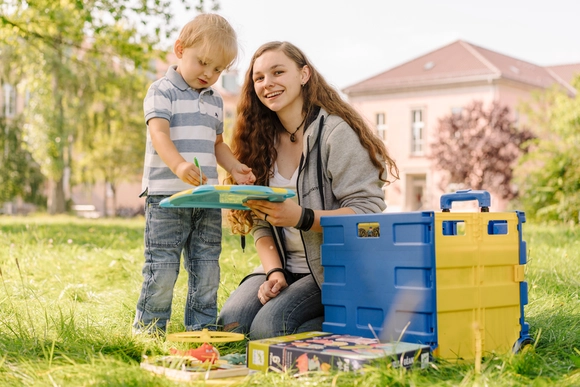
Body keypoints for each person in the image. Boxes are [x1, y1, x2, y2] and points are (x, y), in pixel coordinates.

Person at [218, 41, 399, 339]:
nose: (268, 84)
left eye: (278, 72)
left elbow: (366, 214)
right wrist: (274, 273)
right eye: (259, 78)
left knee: (269, 329)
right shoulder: (260, 139)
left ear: (304, 75)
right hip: (285, 268)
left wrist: (302, 217)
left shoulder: (335, 133)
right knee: (231, 325)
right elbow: (262, 223)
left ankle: (359, 324)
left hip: (334, 270)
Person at [133, 13, 255, 334]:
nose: (209, 74)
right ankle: (149, 330)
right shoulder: (161, 90)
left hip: (207, 200)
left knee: (207, 268)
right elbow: (159, 134)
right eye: (203, 62)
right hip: (168, 198)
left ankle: (200, 330)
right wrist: (180, 165)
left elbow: (218, 144)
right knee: (163, 267)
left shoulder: (215, 101)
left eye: (218, 69)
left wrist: (235, 167)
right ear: (180, 49)